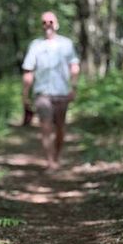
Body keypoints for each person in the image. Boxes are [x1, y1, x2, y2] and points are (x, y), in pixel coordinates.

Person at [21, 11, 80, 169]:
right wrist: (25, 96)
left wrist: (73, 87)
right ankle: (50, 161)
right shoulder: (36, 45)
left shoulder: (67, 44)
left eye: (51, 22)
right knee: (45, 127)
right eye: (44, 22)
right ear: (41, 25)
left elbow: (74, 66)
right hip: (42, 94)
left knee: (60, 128)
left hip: (62, 94)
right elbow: (28, 70)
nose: (48, 25)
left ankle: (57, 155)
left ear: (56, 24)